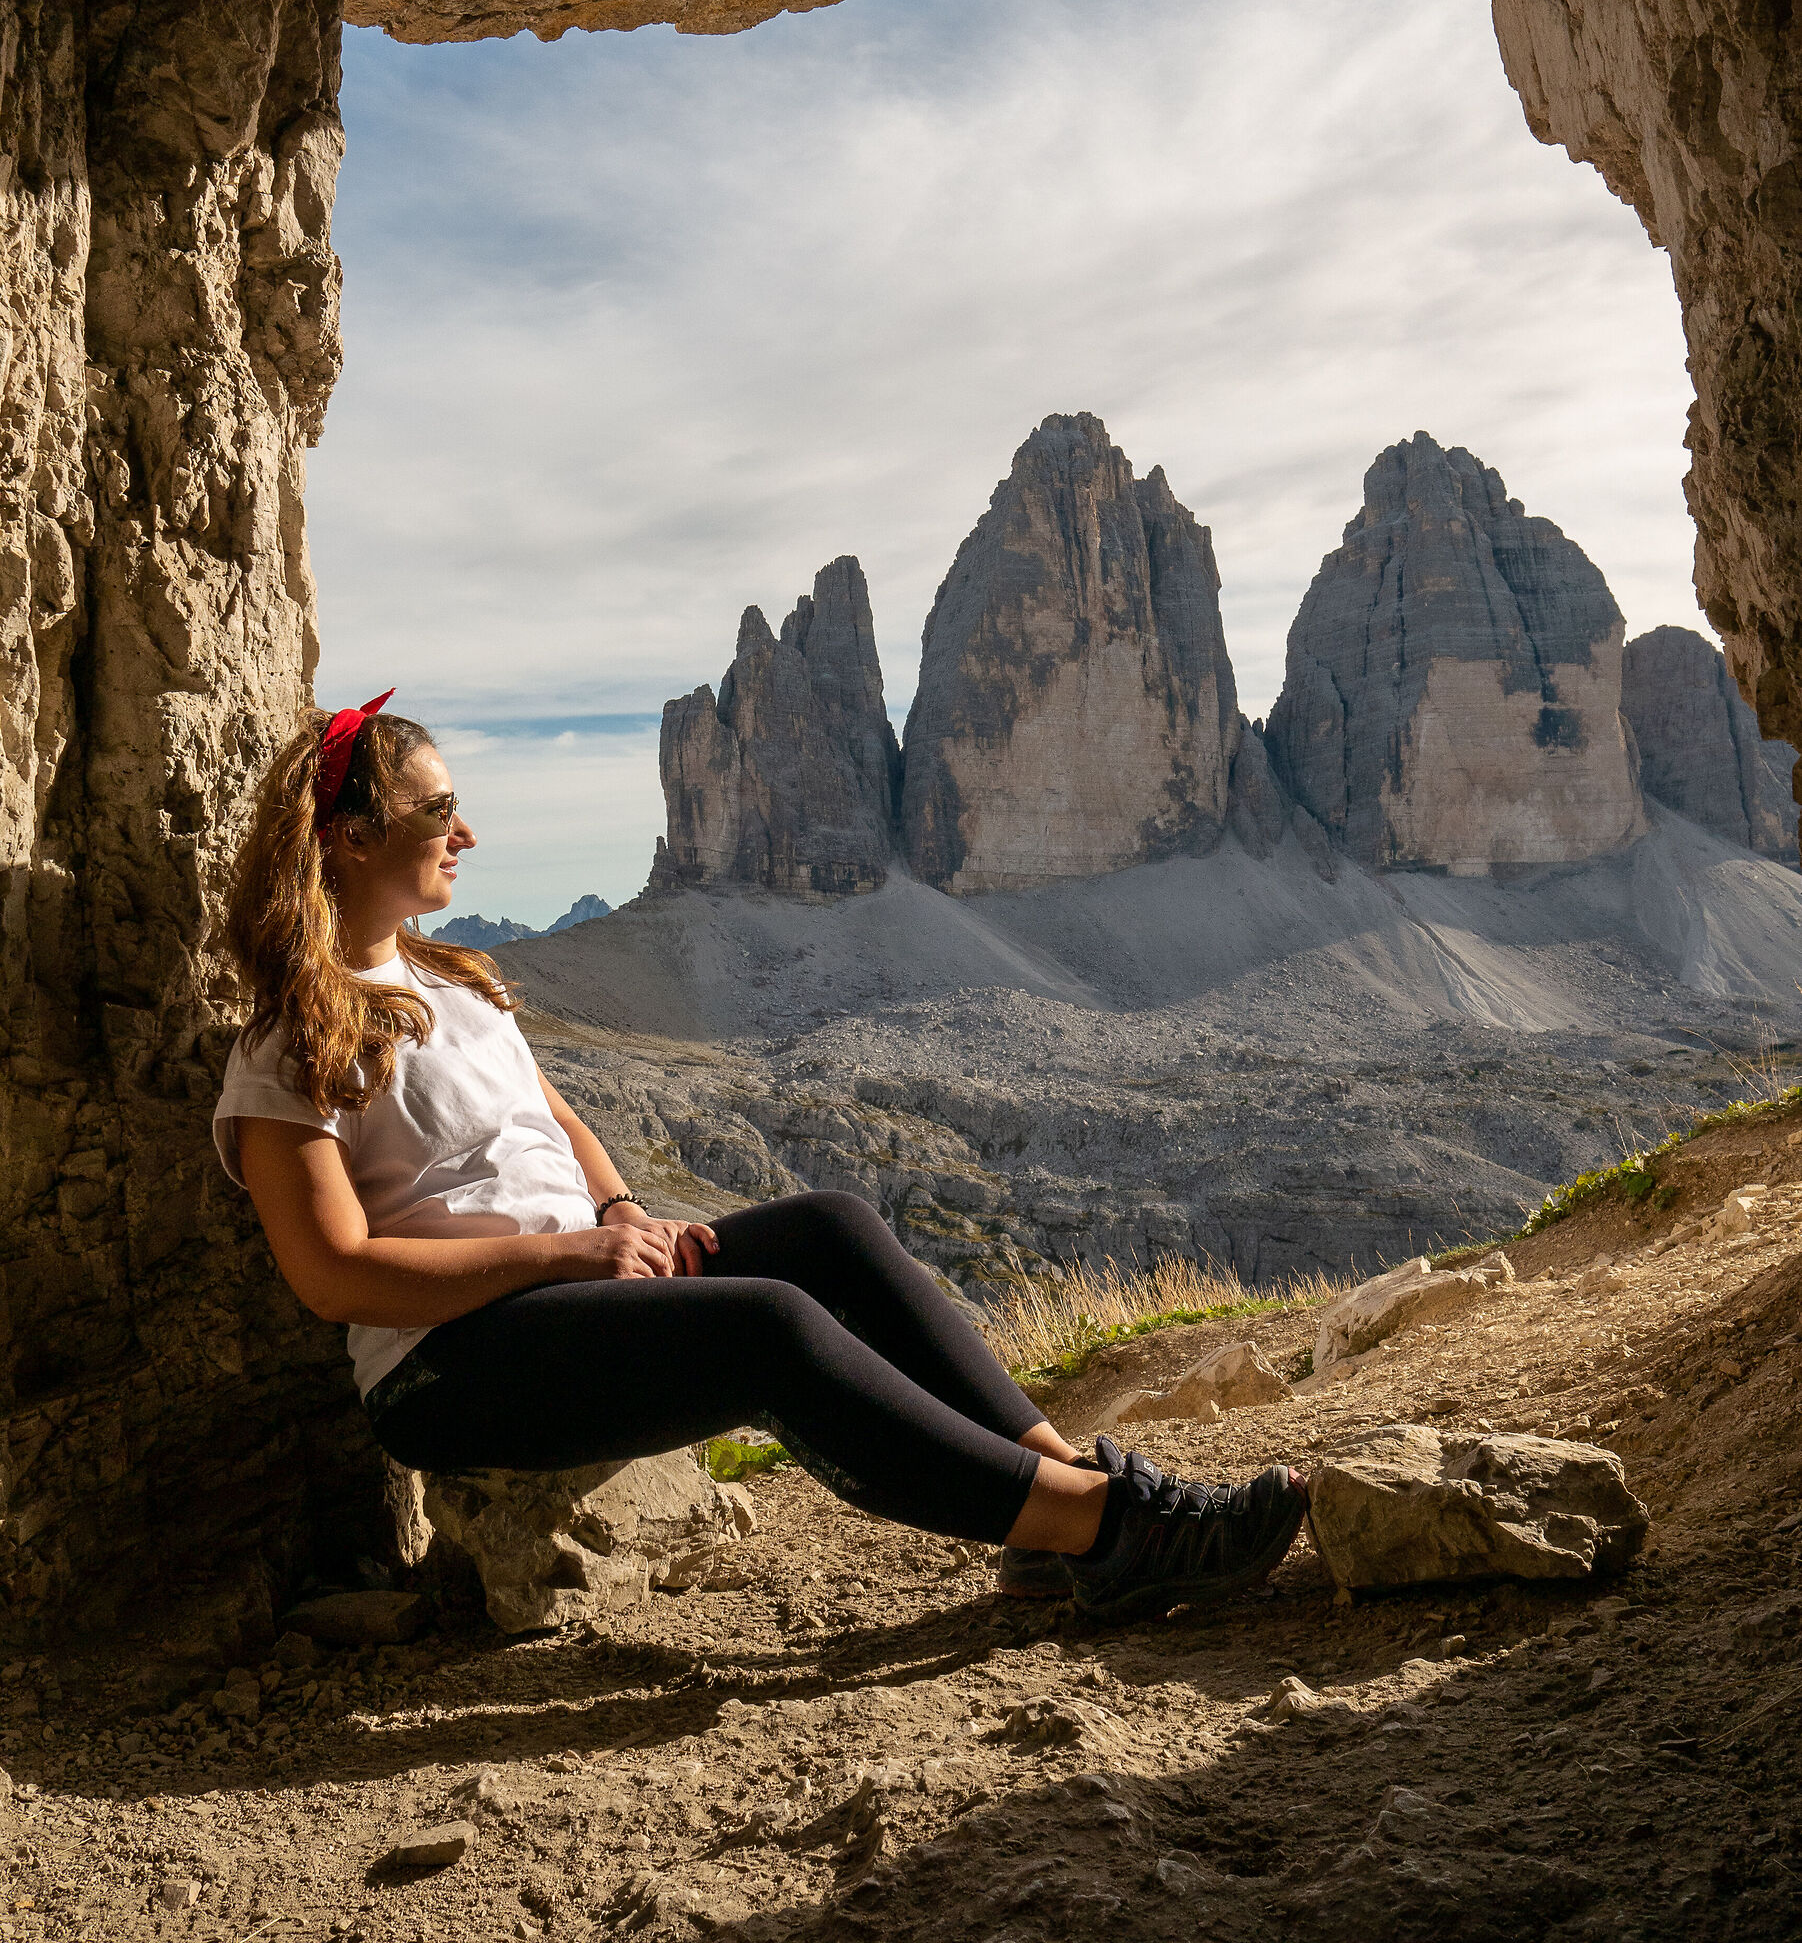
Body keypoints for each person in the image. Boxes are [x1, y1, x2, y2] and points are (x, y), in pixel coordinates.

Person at [214, 695, 1307, 1624]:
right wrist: (570, 1259)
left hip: (571, 1292)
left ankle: (1055, 1488)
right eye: (439, 808)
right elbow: (332, 1273)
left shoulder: (457, 982)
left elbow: (560, 1127)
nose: (468, 832)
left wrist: (628, 1218)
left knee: (828, 1228)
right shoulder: (288, 1046)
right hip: (445, 1369)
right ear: (352, 837)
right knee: (767, 1328)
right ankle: (1110, 1532)